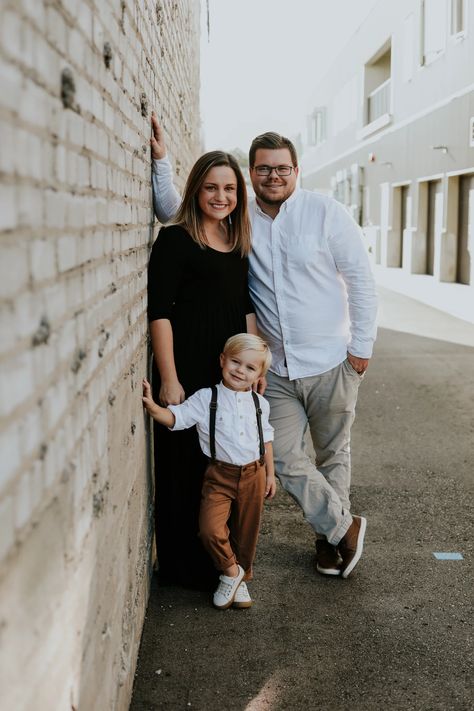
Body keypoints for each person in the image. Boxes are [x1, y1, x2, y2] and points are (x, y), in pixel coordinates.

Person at [151, 115, 378, 579]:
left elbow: (360, 280)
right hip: (273, 370)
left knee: (334, 456)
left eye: (282, 168)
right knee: (287, 460)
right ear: (252, 173)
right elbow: (182, 208)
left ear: (296, 170)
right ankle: (343, 527)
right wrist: (161, 163)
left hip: (332, 361)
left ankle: (330, 541)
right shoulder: (240, 216)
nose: (273, 176)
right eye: (263, 169)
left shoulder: (326, 213)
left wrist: (361, 348)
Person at [148, 138, 257, 590]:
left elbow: (244, 306)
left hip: (228, 369)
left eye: (230, 189)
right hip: (187, 367)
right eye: (211, 187)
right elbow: (160, 312)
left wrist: (254, 365)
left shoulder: (237, 241)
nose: (221, 197)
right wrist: (169, 377)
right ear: (195, 190)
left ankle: (220, 562)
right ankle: (182, 567)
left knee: (222, 464)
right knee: (184, 466)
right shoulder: (175, 239)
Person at [142, 333, 275, 609]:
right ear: (222, 360)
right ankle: (230, 571)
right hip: (220, 476)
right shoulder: (207, 398)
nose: (241, 370)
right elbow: (177, 418)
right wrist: (154, 408)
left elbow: (266, 439)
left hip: (255, 473)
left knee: (246, 532)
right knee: (210, 529)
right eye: (236, 362)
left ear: (259, 375)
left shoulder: (260, 404)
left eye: (250, 368)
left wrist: (271, 474)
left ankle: (242, 579)